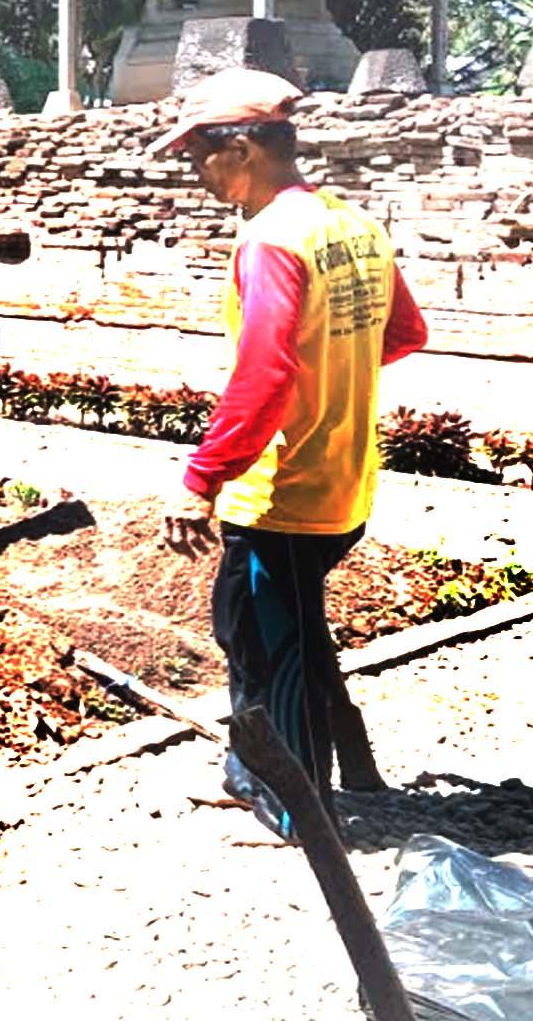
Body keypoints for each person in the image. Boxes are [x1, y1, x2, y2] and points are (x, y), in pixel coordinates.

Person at [152, 68, 429, 840]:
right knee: (255, 633)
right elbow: (403, 333)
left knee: (277, 655)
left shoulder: (271, 239)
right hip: (344, 480)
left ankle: (296, 815)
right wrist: (329, 375)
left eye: (198, 157)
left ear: (240, 148)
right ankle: (248, 774)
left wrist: (201, 477)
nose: (197, 174)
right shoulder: (351, 225)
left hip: (280, 492)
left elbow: (265, 372)